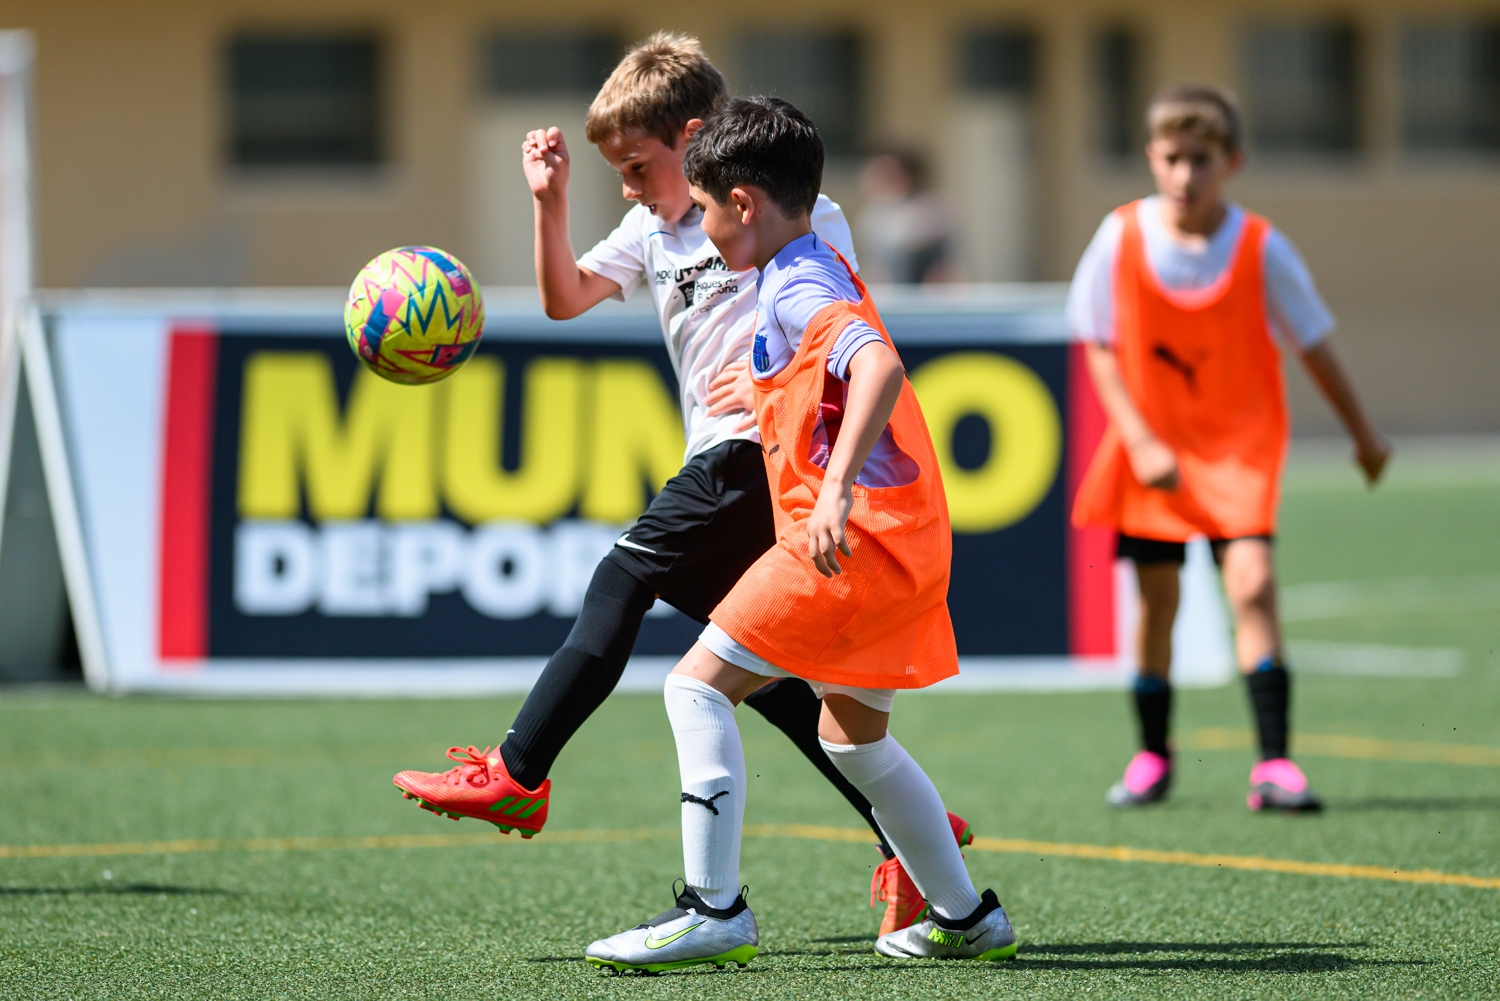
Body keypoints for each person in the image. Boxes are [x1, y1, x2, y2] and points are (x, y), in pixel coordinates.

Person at [390, 33, 969, 934]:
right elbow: (564, 299)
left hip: (751, 452)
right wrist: (549, 203)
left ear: (695, 142)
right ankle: (906, 832)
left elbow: (840, 321)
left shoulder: (783, 218)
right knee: (765, 675)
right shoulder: (650, 231)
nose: (629, 188)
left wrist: (772, 374)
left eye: (636, 167)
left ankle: (519, 771)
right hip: (748, 463)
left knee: (623, 575)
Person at [584, 97, 1017, 974]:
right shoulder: (813, 262)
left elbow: (878, 364)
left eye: (706, 209)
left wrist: (836, 491)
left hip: (851, 541)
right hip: (906, 541)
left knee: (695, 688)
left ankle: (713, 909)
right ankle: (966, 917)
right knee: (853, 741)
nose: (702, 228)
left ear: (743, 203)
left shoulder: (795, 284)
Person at [1068, 83, 1391, 811]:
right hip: (1153, 452)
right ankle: (1153, 755)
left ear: (1232, 163)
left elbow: (1315, 345)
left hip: (1237, 452)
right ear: (1151, 157)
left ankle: (1274, 764)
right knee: (1158, 600)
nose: (1185, 174)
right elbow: (1098, 344)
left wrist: (1363, 434)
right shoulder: (1120, 235)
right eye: (1172, 158)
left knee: (1252, 584)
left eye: (1201, 159)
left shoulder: (1261, 247)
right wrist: (1140, 438)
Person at [855, 150, 956, 284]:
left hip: (920, 290)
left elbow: (944, 265)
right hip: (888, 291)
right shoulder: (872, 214)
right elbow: (870, 263)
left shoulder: (928, 209)